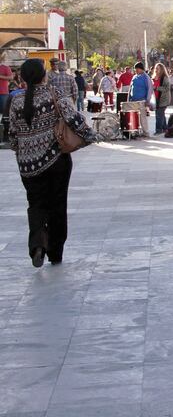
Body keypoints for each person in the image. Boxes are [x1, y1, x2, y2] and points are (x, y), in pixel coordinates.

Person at [8, 58, 98, 267]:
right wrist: (91, 135)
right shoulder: (52, 94)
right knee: (58, 205)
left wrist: (24, 150)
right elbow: (73, 118)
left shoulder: (16, 100)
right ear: (42, 75)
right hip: (56, 160)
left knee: (36, 204)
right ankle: (55, 252)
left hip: (28, 166)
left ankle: (37, 245)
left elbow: (12, 135)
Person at [128, 62, 152, 136]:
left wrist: (147, 100)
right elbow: (130, 88)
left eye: (137, 69)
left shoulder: (146, 77)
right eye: (135, 69)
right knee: (134, 117)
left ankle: (146, 132)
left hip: (142, 100)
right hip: (133, 100)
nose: (136, 71)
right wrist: (128, 98)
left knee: (142, 117)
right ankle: (135, 131)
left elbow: (149, 89)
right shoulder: (134, 77)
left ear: (141, 69)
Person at [151, 63, 172, 135]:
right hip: (155, 99)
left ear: (162, 70)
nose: (156, 70)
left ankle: (158, 130)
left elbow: (167, 88)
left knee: (159, 115)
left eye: (158, 68)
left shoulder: (165, 78)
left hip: (163, 99)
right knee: (161, 114)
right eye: (155, 68)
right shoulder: (153, 78)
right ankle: (165, 128)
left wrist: (156, 88)